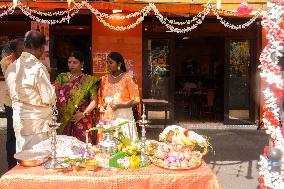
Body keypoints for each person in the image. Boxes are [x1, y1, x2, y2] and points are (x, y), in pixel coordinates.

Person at [5, 31, 56, 152]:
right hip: (37, 123)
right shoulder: (37, 67)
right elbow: (48, 98)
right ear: (41, 48)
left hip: (19, 120)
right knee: (38, 159)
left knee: (23, 158)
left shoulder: (12, 66)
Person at [54, 51, 100, 143]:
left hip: (82, 118)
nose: (71, 65)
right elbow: (54, 93)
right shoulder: (62, 77)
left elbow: (94, 101)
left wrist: (83, 113)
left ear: (82, 63)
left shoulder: (89, 80)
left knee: (82, 147)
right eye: (69, 62)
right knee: (63, 146)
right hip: (64, 118)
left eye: (75, 62)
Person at [99, 52, 140, 141]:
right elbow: (100, 98)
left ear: (119, 64)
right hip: (108, 117)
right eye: (107, 62)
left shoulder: (129, 78)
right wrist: (102, 106)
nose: (108, 65)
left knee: (125, 145)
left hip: (123, 116)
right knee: (108, 146)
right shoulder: (104, 79)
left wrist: (118, 105)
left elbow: (135, 100)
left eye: (110, 62)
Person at [0, 39, 24, 169]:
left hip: (25, 102)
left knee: (24, 133)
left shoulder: (26, 60)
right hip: (11, 102)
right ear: (14, 50)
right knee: (12, 134)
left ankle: (23, 161)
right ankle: (11, 164)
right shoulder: (6, 62)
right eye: (21, 49)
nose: (23, 50)